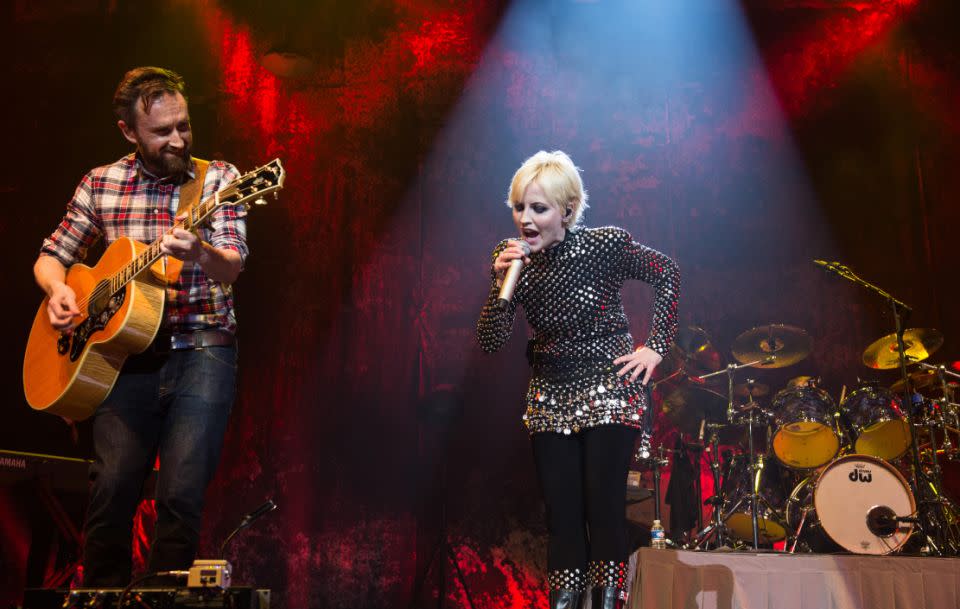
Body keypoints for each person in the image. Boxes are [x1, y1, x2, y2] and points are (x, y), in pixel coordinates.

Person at [33, 67, 247, 586]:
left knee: (179, 498)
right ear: (129, 132)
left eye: (184, 126)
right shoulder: (100, 182)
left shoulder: (217, 178)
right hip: (123, 360)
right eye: (162, 131)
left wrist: (199, 251)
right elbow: (50, 257)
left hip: (202, 351)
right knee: (109, 494)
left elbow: (233, 264)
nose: (178, 139)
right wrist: (59, 291)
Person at [476, 151, 680, 609]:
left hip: (609, 387)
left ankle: (609, 602)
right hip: (549, 392)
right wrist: (499, 283)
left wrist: (656, 345)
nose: (525, 220)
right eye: (519, 208)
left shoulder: (604, 244)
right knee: (562, 516)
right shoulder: (511, 261)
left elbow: (667, 272)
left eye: (538, 209)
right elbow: (490, 340)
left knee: (601, 508)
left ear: (566, 210)